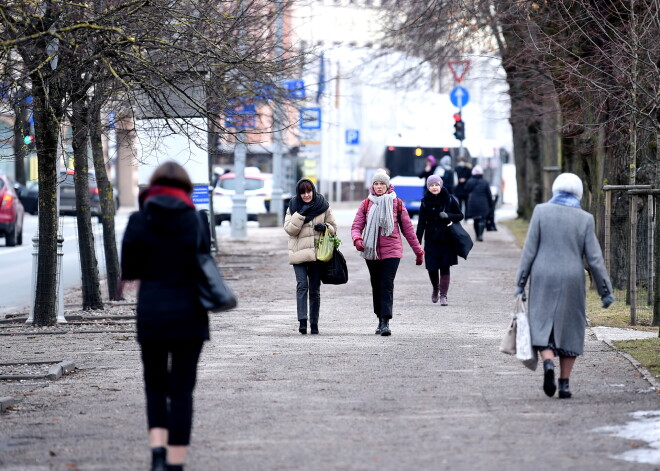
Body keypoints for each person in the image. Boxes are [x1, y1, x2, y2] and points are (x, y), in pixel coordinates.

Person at [121, 161, 210, 471]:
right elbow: (205, 263)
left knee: (155, 387)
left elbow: (129, 270)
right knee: (182, 392)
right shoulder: (197, 220)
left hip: (153, 313)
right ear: (186, 189)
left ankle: (157, 455)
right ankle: (176, 463)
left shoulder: (138, 220)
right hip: (190, 314)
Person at [514, 173, 614, 399]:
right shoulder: (585, 218)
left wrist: (520, 284)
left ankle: (548, 363)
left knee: (542, 326)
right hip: (572, 278)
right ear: (578, 192)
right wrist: (605, 291)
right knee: (570, 329)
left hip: (543, 276)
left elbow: (529, 251)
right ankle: (565, 384)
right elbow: (595, 259)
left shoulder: (541, 212)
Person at [351, 169, 425, 336]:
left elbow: (408, 231)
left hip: (392, 251)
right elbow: (356, 226)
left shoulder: (397, 203)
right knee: (376, 285)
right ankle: (379, 318)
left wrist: (418, 251)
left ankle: (385, 322)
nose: (379, 187)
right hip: (370, 251)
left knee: (386, 284)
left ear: (387, 185)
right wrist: (357, 240)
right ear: (372, 186)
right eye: (376, 184)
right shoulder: (366, 204)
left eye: (382, 184)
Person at [284, 178, 337, 335]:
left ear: (313, 190)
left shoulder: (323, 205)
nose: (306, 195)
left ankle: (314, 323)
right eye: (303, 192)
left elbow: (334, 227)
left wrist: (326, 227)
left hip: (317, 253)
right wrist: (301, 213)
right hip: (298, 252)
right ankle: (302, 322)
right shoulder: (293, 206)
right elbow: (289, 229)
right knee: (302, 286)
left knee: (314, 289)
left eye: (309, 191)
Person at [416, 175, 464, 306]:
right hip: (431, 239)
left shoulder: (449, 199)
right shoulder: (425, 201)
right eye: (431, 185)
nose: (434, 187)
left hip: (446, 238)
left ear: (441, 185)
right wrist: (417, 242)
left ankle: (444, 295)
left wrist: (448, 215)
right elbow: (421, 223)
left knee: (445, 266)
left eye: (436, 185)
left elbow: (460, 215)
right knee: (431, 267)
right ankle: (435, 288)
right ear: (428, 187)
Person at [464, 165, 493, 242]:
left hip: (473, 202)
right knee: (482, 219)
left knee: (475, 220)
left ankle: (477, 235)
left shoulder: (470, 181)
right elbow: (489, 194)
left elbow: (466, 190)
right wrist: (491, 204)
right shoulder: (485, 182)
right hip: (483, 202)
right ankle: (480, 235)